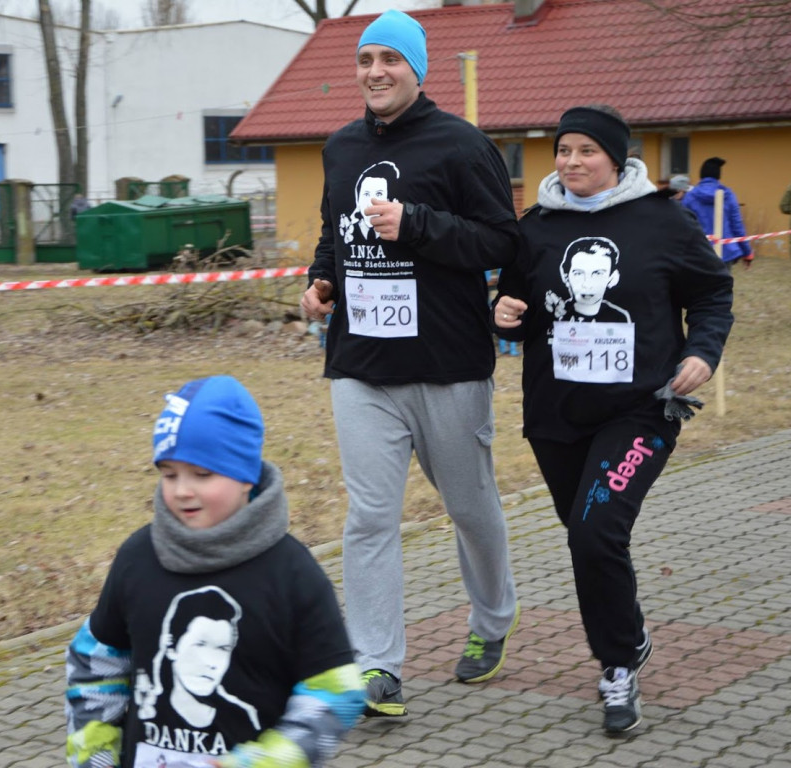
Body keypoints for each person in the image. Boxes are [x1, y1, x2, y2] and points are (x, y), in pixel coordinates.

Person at [299, 9, 521, 718]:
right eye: (365, 59)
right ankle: (375, 667)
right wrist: (322, 279)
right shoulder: (339, 148)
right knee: (368, 517)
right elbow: (335, 234)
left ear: (417, 68)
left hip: (448, 365)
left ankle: (492, 618)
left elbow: (502, 243)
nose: (374, 72)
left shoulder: (461, 146)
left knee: (469, 506)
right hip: (362, 367)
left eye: (389, 59)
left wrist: (417, 225)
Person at [492, 104, 734, 734]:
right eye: (563, 151)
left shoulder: (662, 220)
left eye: (586, 152)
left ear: (616, 158)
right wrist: (504, 313)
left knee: (595, 533)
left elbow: (712, 293)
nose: (571, 162)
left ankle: (617, 666)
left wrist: (702, 352)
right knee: (588, 536)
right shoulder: (537, 226)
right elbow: (516, 299)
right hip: (555, 415)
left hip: (640, 412)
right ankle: (629, 633)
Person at [65, 375, 364, 768]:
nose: (183, 490)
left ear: (246, 478)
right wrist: (95, 752)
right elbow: (95, 659)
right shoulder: (138, 557)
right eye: (169, 473)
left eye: (202, 474)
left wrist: (266, 761)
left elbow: (336, 690)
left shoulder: (291, 572)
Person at [682, 157, 754, 269]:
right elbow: (737, 225)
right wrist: (747, 252)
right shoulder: (728, 195)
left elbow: (682, 226)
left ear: (701, 175)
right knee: (723, 286)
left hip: (698, 252)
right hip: (725, 252)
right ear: (718, 176)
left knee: (700, 286)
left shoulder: (690, 196)